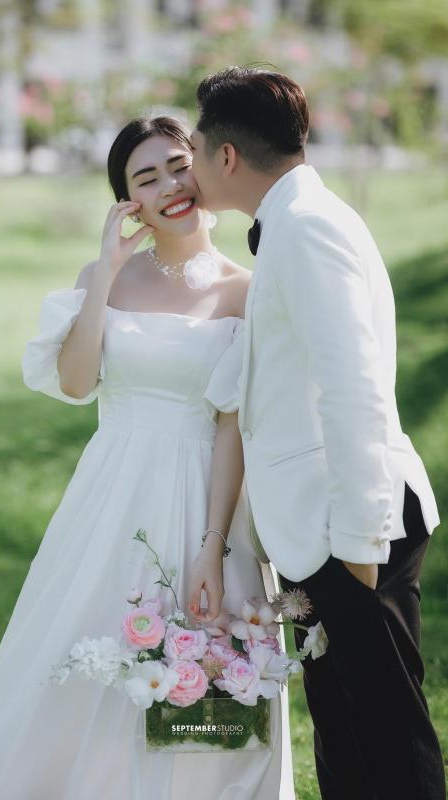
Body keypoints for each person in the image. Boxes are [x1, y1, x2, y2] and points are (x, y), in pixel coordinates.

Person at [0, 115, 295, 800]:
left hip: (207, 493)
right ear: (127, 201)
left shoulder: (245, 288)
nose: (169, 186)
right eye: (146, 178)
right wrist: (106, 270)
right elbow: (75, 382)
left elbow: (232, 428)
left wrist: (212, 546)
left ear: (205, 166)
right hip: (113, 491)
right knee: (85, 647)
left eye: (178, 166)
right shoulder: (107, 277)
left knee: (210, 668)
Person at [189, 66, 446, 800]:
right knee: (345, 734)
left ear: (227, 156)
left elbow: (354, 389)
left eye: (196, 150)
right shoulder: (295, 222)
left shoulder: (308, 228)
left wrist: (360, 546)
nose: (193, 163)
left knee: (388, 740)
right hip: (320, 530)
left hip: (354, 528)